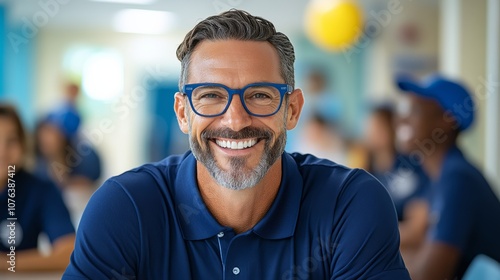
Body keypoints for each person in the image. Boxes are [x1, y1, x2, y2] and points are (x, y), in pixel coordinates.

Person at [63, 10, 410, 279]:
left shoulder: (350, 204)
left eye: (259, 95)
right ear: (183, 114)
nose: (235, 120)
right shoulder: (125, 209)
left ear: (292, 110)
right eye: (211, 95)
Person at [395, 74, 500, 279]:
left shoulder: (459, 180)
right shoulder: (441, 176)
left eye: (414, 111)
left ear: (447, 120)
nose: (402, 119)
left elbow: (430, 275)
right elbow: (418, 242)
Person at [0, 104, 75, 271]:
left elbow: (69, 253)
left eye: (11, 140)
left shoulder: (41, 190)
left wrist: (6, 264)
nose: (2, 151)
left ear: (23, 144)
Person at [364, 103, 429, 221]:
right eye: (371, 127)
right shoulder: (366, 176)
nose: (374, 133)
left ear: (392, 128)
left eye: (380, 127)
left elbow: (425, 199)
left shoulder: (412, 162)